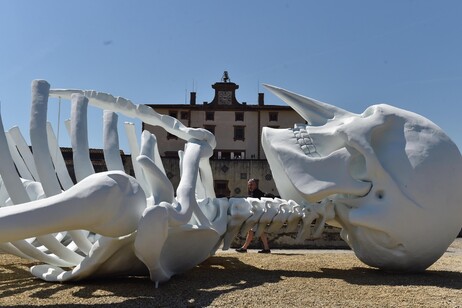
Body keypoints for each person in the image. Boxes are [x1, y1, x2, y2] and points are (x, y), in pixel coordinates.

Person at [235, 179, 271, 253]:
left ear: (255, 185)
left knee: (252, 231)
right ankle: (266, 248)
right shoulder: (255, 193)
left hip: (256, 217)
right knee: (259, 232)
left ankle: (244, 248)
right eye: (249, 184)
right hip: (258, 217)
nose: (250, 186)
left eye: (251, 184)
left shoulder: (256, 193)